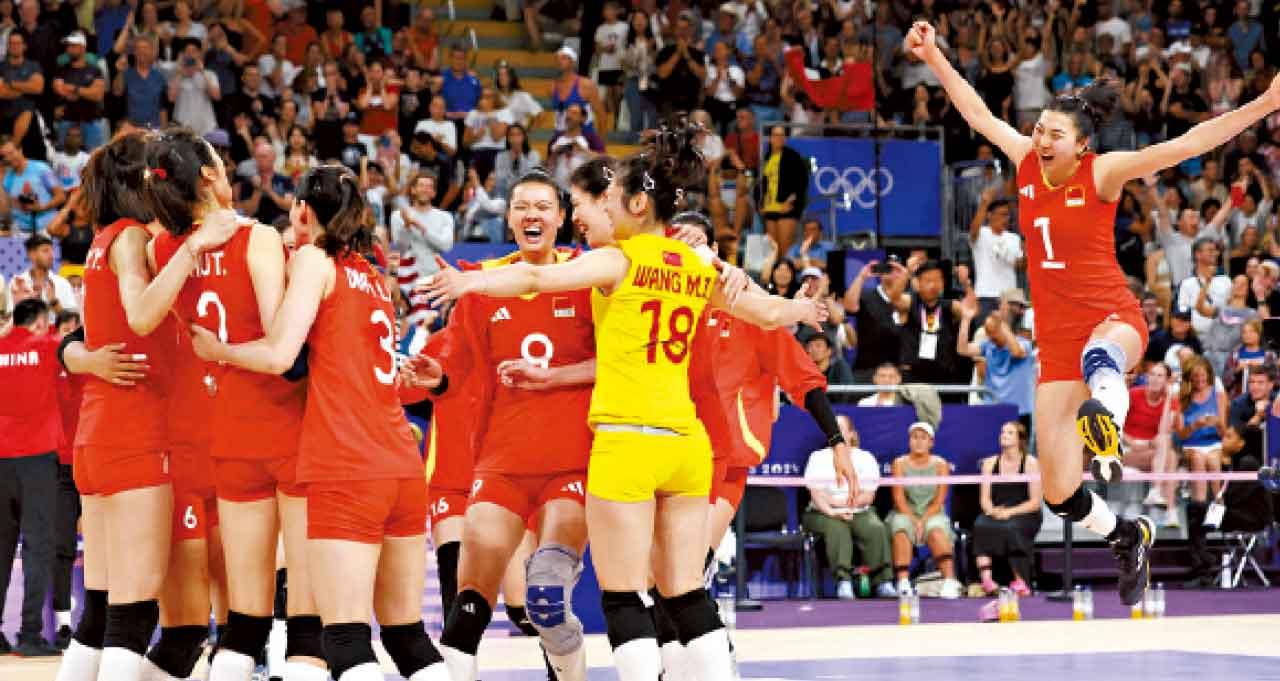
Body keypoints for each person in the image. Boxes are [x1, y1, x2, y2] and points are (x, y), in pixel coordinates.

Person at [419, 123, 839, 681]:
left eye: (610, 199)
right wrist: (800, 310)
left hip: (628, 439)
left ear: (638, 205)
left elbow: (537, 277)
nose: (601, 208)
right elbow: (765, 313)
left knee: (623, 597)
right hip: (686, 445)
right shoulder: (693, 263)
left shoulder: (620, 260)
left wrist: (470, 283)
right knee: (685, 591)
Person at [909, 17, 1280, 604]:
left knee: (1100, 357)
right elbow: (977, 113)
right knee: (1059, 491)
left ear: (1082, 144)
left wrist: (1264, 104)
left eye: (1055, 134)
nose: (1041, 139)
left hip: (1112, 316)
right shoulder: (1025, 162)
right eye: (1039, 129)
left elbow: (1187, 145)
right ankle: (1126, 534)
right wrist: (934, 56)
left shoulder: (1101, 171)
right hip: (1056, 342)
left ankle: (1105, 425)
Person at [190, 164, 451, 681]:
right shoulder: (373, 276)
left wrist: (219, 350)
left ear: (303, 210)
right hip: (401, 463)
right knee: (406, 636)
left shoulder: (315, 258)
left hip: (348, 466)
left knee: (344, 638)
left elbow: (280, 356)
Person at [141, 128, 323, 681]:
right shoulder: (258, 238)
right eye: (219, 161)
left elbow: (146, 318)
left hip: (228, 433)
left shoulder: (161, 249)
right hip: (287, 427)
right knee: (307, 620)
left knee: (243, 623)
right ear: (208, 175)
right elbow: (281, 348)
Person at [55, 130, 238, 681]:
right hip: (136, 436)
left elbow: (84, 335)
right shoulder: (133, 238)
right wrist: (196, 248)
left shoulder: (104, 239)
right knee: (131, 615)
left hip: (98, 433)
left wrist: (78, 356)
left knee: (100, 615)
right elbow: (137, 315)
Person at [411, 169, 597, 681]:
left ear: (561, 218)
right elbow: (457, 356)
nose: (531, 215)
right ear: (509, 218)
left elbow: (617, 358)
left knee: (545, 597)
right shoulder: (482, 284)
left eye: (542, 206)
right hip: (501, 462)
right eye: (521, 206)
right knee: (469, 602)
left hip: (571, 464)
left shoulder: (589, 275)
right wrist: (438, 375)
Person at [0, 298, 62, 656]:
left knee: (1, 548)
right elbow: (73, 342)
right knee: (38, 547)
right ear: (39, 322)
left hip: (1, 460)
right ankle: (30, 635)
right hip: (36, 458)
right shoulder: (45, 346)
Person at [802, 415, 895, 599]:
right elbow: (816, 494)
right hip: (822, 511)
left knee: (875, 528)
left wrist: (848, 505)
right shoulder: (818, 457)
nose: (835, 433)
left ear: (852, 434)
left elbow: (868, 495)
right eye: (832, 429)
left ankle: (883, 581)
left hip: (857, 509)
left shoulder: (865, 458)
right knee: (837, 528)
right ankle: (843, 581)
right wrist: (833, 511)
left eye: (840, 429)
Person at [886, 421, 961, 599]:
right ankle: (903, 582)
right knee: (900, 528)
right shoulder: (899, 463)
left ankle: (949, 581)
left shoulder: (941, 464)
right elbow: (899, 499)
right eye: (914, 437)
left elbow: (939, 500)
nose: (918, 441)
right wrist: (914, 520)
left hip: (933, 511)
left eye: (923, 438)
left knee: (936, 531)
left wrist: (923, 521)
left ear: (931, 442)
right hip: (905, 511)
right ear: (909, 441)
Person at [972, 421, 1042, 597]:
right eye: (1003, 432)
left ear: (1020, 439)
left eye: (1010, 433)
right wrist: (992, 511)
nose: (1004, 435)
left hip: (1024, 513)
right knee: (980, 524)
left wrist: (1009, 512)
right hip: (997, 511)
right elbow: (985, 499)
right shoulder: (989, 464)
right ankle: (987, 580)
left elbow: (1035, 502)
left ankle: (1020, 580)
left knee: (1011, 527)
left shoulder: (1031, 463)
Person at [1122, 363, 1178, 527]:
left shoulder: (1171, 401)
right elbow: (1114, 424)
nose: (1154, 379)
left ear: (1167, 381)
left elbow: (1164, 431)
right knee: (1170, 457)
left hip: (1153, 452)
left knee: (1167, 447)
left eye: (1159, 376)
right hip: (1128, 448)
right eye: (1152, 374)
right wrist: (1133, 442)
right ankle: (1169, 509)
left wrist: (1168, 398)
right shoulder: (1134, 394)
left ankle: (1157, 492)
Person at [1175, 355, 1229, 508]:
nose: (1200, 380)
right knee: (1198, 458)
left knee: (1213, 459)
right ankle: (1200, 506)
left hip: (1214, 443)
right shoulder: (1181, 397)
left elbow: (1224, 433)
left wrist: (1217, 423)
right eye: (1196, 377)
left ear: (1209, 375)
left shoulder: (1218, 395)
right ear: (1189, 378)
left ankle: (1218, 504)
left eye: (1203, 376)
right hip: (1190, 445)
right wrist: (1194, 425)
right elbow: (1181, 435)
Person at [755, 125, 808, 259]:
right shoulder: (767, 157)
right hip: (769, 208)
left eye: (782, 135)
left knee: (785, 250)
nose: (779, 138)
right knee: (773, 251)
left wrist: (791, 200)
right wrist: (760, 204)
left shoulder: (792, 156)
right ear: (770, 138)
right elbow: (761, 184)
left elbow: (802, 180)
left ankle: (786, 271)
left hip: (786, 207)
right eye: (776, 135)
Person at [2, 134, 64, 236]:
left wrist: (42, 207)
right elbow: (8, 209)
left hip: (46, 230)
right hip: (20, 232)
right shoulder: (7, 177)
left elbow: (61, 197)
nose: (9, 158)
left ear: (20, 150)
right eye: (4, 156)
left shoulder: (41, 168)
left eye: (11, 153)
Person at [10, 234, 76, 316]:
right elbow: (11, 318)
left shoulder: (62, 283)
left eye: (52, 250)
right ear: (31, 254)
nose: (51, 256)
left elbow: (72, 320)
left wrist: (54, 302)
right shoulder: (17, 283)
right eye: (45, 251)